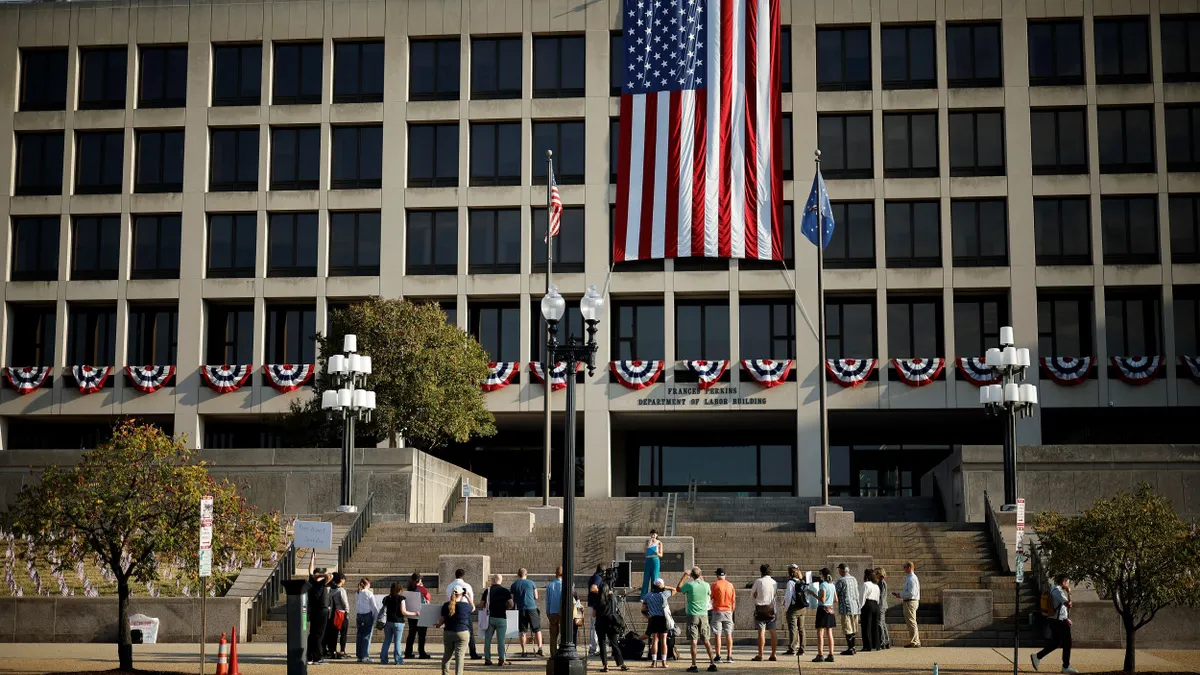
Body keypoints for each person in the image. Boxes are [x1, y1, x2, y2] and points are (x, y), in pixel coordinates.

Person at [1032, 576, 1077, 674]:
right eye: (1068, 582)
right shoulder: (1059, 591)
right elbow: (1069, 604)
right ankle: (1066, 666)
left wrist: (1066, 618)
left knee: (1056, 642)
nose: (1068, 584)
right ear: (1064, 581)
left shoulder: (1054, 590)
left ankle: (1038, 656)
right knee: (1067, 642)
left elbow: (1060, 608)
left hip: (1056, 620)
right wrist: (1069, 592)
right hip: (1058, 621)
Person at [676, 567, 718, 673]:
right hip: (703, 614)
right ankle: (712, 663)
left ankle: (694, 664)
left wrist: (684, 577)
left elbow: (678, 588)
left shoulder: (689, 585)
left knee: (693, 641)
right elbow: (708, 593)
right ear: (700, 575)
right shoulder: (706, 585)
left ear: (692, 576)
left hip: (692, 614)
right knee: (706, 640)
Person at [436, 587, 473, 675]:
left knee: (447, 655)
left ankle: (445, 673)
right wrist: (467, 596)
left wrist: (438, 625)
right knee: (460, 656)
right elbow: (473, 607)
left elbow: (442, 619)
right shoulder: (465, 605)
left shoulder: (446, 605)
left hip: (448, 632)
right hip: (462, 632)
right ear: (461, 594)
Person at [446, 568, 481, 659]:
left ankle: (455, 653)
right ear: (463, 575)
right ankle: (473, 653)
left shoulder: (450, 586)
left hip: (452, 609)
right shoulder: (467, 586)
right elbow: (471, 600)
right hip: (464, 610)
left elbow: (448, 598)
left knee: (454, 630)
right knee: (470, 632)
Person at [594, 582, 629, 672]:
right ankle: (621, 664)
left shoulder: (597, 598)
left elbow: (594, 614)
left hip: (600, 623)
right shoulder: (612, 598)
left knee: (602, 644)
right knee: (614, 644)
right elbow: (616, 608)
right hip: (611, 623)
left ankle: (606, 666)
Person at [482, 573, 514, 665]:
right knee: (501, 640)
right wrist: (505, 607)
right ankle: (501, 659)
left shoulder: (487, 591)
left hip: (490, 617)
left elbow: (482, 604)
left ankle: (487, 659)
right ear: (501, 580)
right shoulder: (505, 591)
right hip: (501, 617)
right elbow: (511, 604)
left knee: (487, 639)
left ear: (492, 580)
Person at [305, 551, 331, 666]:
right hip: (322, 610)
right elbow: (329, 576)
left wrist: (312, 559)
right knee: (319, 634)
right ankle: (317, 657)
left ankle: (310, 656)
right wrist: (321, 575)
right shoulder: (321, 583)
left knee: (312, 633)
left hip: (314, 610)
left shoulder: (311, 582)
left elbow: (310, 571)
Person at [511, 568, 543, 656]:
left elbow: (513, 599)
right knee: (537, 629)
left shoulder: (514, 585)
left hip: (521, 610)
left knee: (522, 631)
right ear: (526, 574)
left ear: (518, 575)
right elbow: (536, 596)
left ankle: (524, 651)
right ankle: (540, 648)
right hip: (532, 608)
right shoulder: (531, 583)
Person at [807, 568, 837, 663]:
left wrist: (813, 594)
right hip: (830, 609)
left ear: (823, 575)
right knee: (830, 633)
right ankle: (831, 654)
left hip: (822, 609)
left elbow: (822, 599)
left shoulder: (823, 585)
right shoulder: (832, 585)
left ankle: (820, 654)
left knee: (820, 633)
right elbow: (836, 599)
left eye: (820, 574)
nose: (820, 576)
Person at [641, 578, 673, 668]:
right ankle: (663, 661)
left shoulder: (648, 595)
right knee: (663, 641)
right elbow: (674, 589)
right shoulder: (664, 594)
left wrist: (649, 616)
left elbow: (643, 609)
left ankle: (654, 662)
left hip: (654, 618)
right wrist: (664, 587)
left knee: (655, 640)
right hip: (663, 618)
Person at [751, 564, 778, 662]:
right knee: (773, 632)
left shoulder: (758, 581)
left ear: (761, 571)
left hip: (760, 608)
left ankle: (760, 654)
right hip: (771, 608)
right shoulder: (774, 582)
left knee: (761, 633)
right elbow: (775, 595)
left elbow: (752, 594)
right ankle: (773, 654)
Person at [710, 568, 736, 663]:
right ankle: (729, 656)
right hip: (728, 611)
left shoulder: (714, 585)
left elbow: (710, 597)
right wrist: (731, 611)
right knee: (729, 634)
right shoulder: (730, 585)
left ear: (717, 575)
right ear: (725, 575)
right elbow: (733, 601)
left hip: (717, 610)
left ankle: (718, 655)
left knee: (717, 634)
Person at [892, 561, 920, 648]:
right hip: (909, 601)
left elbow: (911, 593)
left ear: (909, 567)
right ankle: (915, 640)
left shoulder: (912, 579)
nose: (903, 569)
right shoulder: (910, 578)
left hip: (910, 601)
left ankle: (915, 641)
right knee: (911, 621)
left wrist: (900, 595)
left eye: (904, 567)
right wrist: (900, 595)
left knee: (911, 622)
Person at [406, 572, 433, 659]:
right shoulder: (421, 588)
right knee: (422, 635)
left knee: (411, 634)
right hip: (421, 613)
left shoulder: (409, 588)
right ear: (420, 580)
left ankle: (408, 652)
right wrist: (423, 586)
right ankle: (421, 652)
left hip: (411, 614)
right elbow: (428, 597)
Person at [835, 563, 860, 656]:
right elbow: (857, 593)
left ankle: (850, 648)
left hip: (845, 607)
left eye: (839, 570)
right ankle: (853, 647)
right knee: (853, 628)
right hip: (855, 607)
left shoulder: (841, 580)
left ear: (842, 570)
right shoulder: (854, 579)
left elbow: (836, 592)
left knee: (847, 628)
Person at [782, 564, 807, 656]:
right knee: (801, 628)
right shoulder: (802, 581)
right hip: (802, 607)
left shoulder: (790, 582)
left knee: (792, 628)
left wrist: (786, 608)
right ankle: (802, 648)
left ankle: (792, 648)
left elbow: (788, 597)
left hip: (793, 608)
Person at [324, 573, 350, 659]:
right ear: (341, 580)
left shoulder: (331, 590)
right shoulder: (341, 590)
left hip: (333, 613)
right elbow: (345, 603)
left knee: (334, 634)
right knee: (343, 633)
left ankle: (333, 651)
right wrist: (347, 612)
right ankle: (342, 651)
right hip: (341, 613)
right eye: (344, 580)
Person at [355, 578, 378, 663]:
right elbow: (373, 606)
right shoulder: (369, 593)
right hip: (367, 614)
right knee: (367, 635)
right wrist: (376, 617)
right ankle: (365, 655)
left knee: (360, 635)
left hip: (359, 615)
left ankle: (359, 655)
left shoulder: (357, 593)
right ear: (367, 584)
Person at [859, 569, 881, 652]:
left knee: (866, 626)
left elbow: (862, 598)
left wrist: (859, 608)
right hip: (875, 605)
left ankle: (867, 646)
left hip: (868, 604)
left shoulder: (866, 584)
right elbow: (878, 598)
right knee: (875, 625)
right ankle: (876, 644)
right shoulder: (876, 585)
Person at [588, 565, 606, 656]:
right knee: (594, 628)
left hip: (592, 605)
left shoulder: (594, 576)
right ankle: (594, 648)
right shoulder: (597, 577)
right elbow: (593, 588)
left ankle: (593, 648)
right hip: (594, 606)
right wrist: (604, 593)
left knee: (593, 627)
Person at [545, 566, 563, 657]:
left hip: (553, 612)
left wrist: (548, 612)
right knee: (564, 634)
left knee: (553, 635)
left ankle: (553, 654)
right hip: (563, 612)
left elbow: (547, 601)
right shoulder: (566, 585)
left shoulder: (550, 585)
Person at [642, 530, 663, 597]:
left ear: (657, 535)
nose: (652, 536)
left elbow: (661, 555)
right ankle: (643, 596)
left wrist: (656, 553)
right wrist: (648, 546)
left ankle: (654, 594)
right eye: (651, 534)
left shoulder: (659, 543)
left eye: (654, 534)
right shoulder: (647, 542)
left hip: (655, 559)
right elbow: (644, 553)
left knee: (654, 578)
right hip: (648, 559)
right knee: (646, 578)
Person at [874, 568, 892, 650]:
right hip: (883, 604)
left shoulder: (881, 583)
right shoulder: (882, 582)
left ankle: (883, 641)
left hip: (881, 605)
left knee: (880, 623)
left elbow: (880, 595)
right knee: (883, 624)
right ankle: (886, 641)